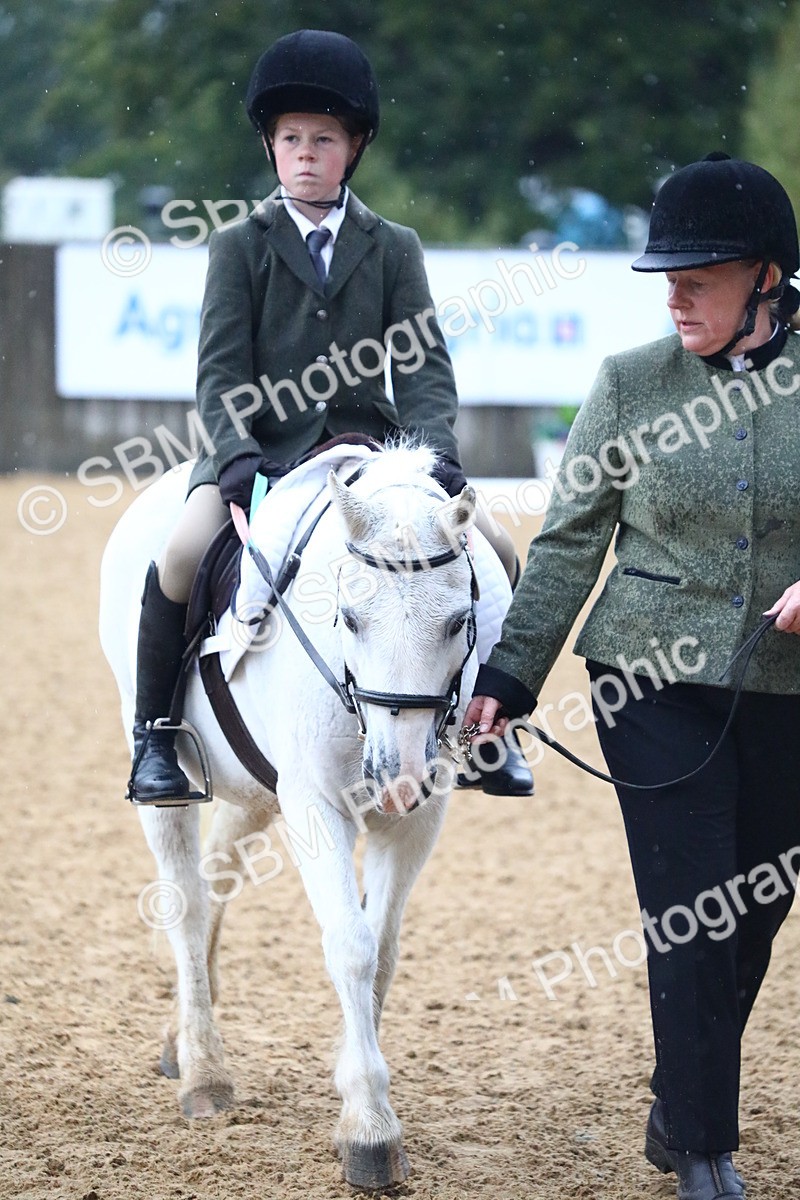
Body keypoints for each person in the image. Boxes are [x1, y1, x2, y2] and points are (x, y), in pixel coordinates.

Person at [464, 152, 800, 1200]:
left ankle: (678, 1095)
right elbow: (567, 541)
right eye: (666, 273)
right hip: (646, 676)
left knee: (755, 903)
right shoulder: (629, 382)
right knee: (691, 905)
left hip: (785, 688)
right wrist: (509, 679)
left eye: (696, 274)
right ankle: (702, 1148)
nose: (672, 292)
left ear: (766, 277)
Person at [130, 28, 531, 804]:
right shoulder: (238, 246)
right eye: (290, 139)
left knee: (499, 550)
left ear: (354, 148)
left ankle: (487, 732)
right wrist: (237, 450)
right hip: (261, 453)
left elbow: (421, 366)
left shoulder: (393, 247)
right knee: (179, 557)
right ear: (271, 148)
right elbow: (218, 370)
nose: (305, 153)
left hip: (370, 453)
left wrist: (437, 452)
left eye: (323, 139)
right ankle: (157, 737)